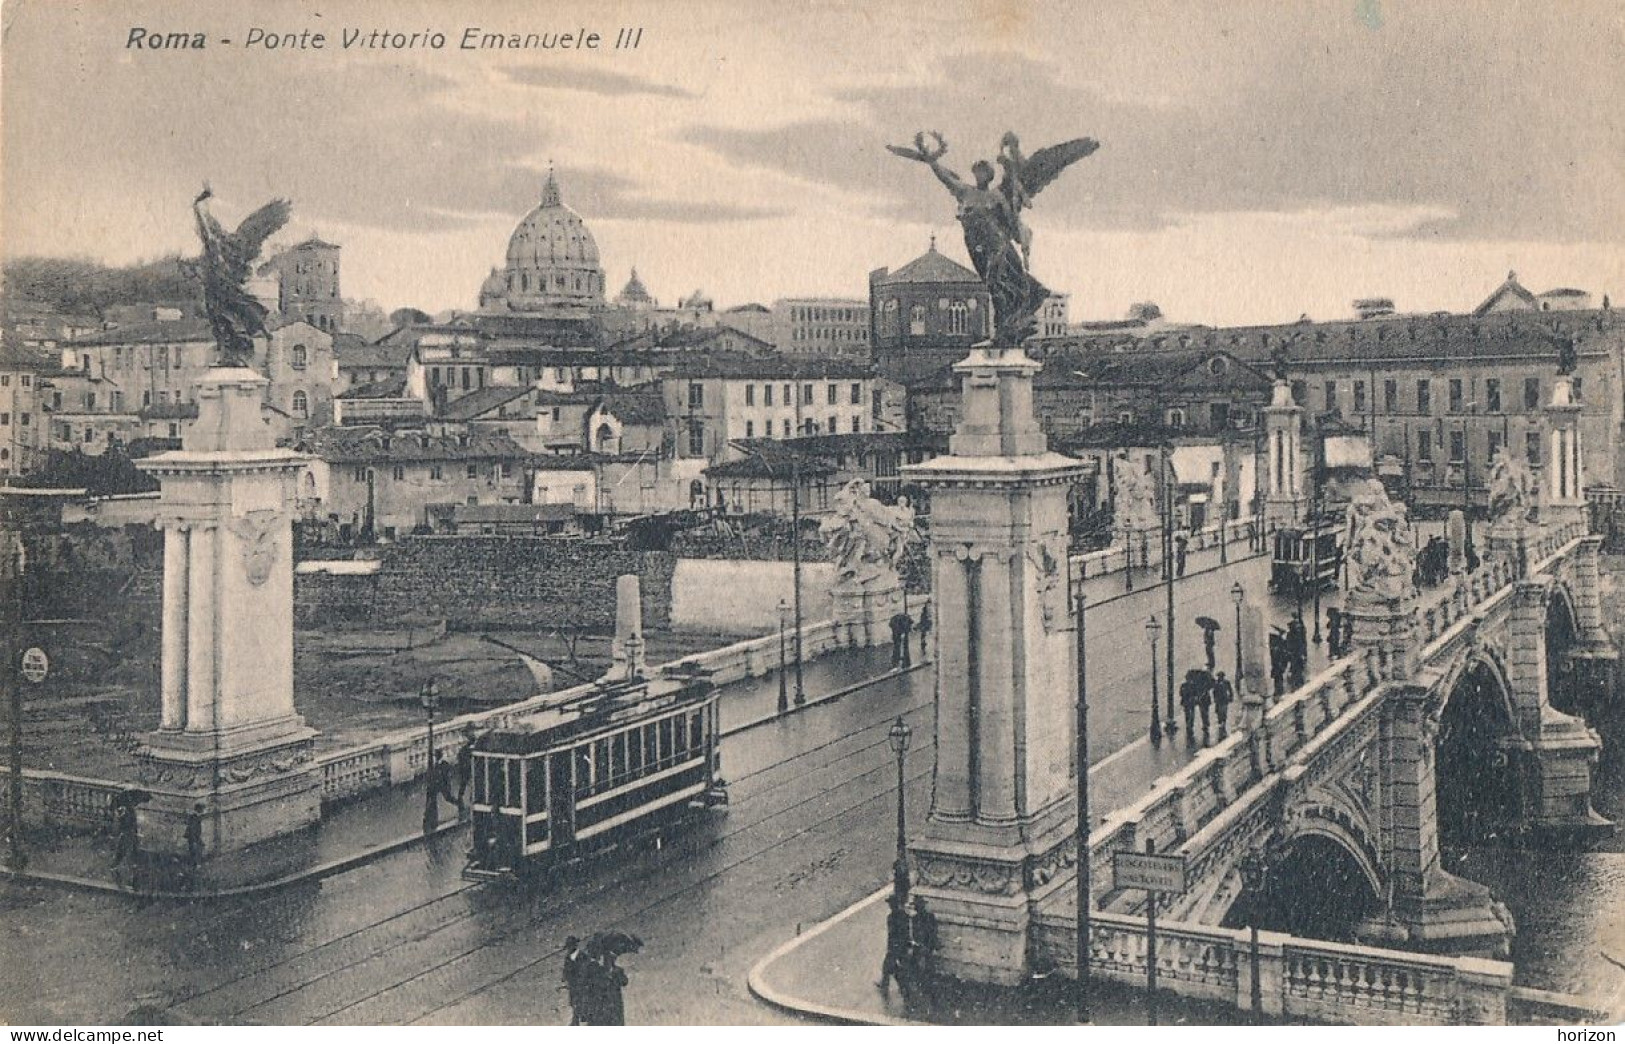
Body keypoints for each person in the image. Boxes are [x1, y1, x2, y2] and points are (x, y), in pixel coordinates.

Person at [878, 893, 913, 996]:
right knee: (899, 967)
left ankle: (888, 986)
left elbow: (891, 934)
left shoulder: (891, 917)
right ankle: (901, 987)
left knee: (889, 967)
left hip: (895, 946)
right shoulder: (905, 916)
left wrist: (890, 948)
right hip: (903, 945)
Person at [562, 936, 586, 1025]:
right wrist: (565, 977)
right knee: (573, 1001)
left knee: (580, 1000)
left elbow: (584, 970)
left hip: (581, 983)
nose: (569, 948)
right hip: (572, 984)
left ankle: (576, 1020)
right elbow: (566, 969)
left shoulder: (582, 956)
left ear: (574, 945)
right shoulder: (568, 957)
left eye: (570, 946)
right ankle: (576, 1018)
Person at [599, 953, 629, 1026]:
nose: (609, 961)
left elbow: (625, 982)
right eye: (607, 959)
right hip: (604, 1001)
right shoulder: (600, 971)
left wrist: (616, 975)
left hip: (616, 1000)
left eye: (612, 959)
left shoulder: (619, 970)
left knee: (617, 1021)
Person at [1179, 670, 1201, 745]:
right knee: (1188, 715)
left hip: (1190, 702)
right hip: (1187, 702)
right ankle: (1189, 726)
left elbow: (1196, 693)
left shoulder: (1191, 685)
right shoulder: (1185, 685)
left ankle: (1190, 725)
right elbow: (1181, 693)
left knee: (1191, 715)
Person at [1211, 670, 1234, 737]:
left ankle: (1223, 723)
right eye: (1219, 676)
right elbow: (1214, 692)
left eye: (1221, 676)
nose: (1220, 677)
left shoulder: (1226, 682)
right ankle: (1220, 722)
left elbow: (1230, 690)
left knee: (1224, 712)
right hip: (1219, 701)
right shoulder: (1216, 683)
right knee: (1219, 712)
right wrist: (1215, 699)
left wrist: (1231, 697)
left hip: (1224, 700)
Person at [185, 802, 206, 869]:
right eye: (202, 809)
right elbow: (192, 829)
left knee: (198, 848)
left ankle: (195, 863)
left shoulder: (195, 817)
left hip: (195, 837)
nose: (203, 811)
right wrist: (194, 839)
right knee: (196, 850)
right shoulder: (194, 817)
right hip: (193, 837)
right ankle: (196, 864)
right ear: (199, 810)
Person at [455, 741, 474, 806]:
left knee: (464, 783)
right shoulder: (473, 749)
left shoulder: (464, 749)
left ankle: (460, 797)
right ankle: (471, 796)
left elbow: (459, 758)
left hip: (465, 769)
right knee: (472, 783)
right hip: (469, 769)